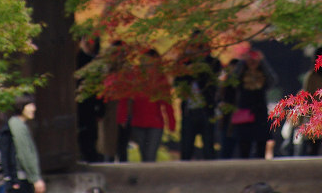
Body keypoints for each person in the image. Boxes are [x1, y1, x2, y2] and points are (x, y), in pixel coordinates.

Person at [117, 48, 175, 162]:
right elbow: (124, 99)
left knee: (150, 155)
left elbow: (167, 104)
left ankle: (151, 177)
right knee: (144, 154)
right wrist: (122, 117)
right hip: (138, 122)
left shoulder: (161, 80)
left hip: (155, 124)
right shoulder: (135, 77)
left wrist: (171, 122)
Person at [174, 31, 221, 160]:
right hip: (189, 110)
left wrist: (199, 63)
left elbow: (212, 78)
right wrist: (187, 63)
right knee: (186, 147)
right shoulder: (184, 62)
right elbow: (177, 82)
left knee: (208, 147)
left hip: (207, 108)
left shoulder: (213, 62)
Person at [224, 49, 276, 159]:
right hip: (245, 112)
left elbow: (273, 81)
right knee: (244, 145)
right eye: (250, 61)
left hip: (260, 112)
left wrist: (262, 62)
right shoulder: (242, 75)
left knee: (261, 144)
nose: (252, 63)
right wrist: (242, 62)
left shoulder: (263, 76)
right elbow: (232, 81)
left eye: (254, 61)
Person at [75, 36, 105, 163]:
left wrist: (101, 110)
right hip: (82, 105)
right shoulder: (78, 60)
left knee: (89, 136)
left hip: (90, 106)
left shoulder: (95, 62)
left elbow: (101, 88)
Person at [8, 95, 45, 193]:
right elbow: (24, 153)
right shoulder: (17, 126)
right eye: (30, 105)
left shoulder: (20, 124)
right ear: (21, 107)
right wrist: (35, 178)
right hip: (21, 178)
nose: (34, 109)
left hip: (24, 176)